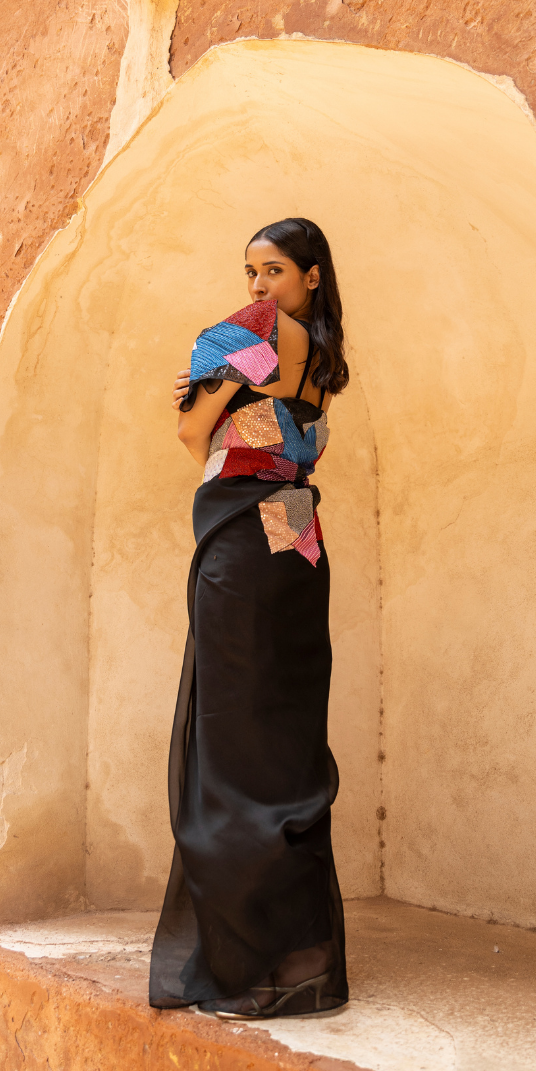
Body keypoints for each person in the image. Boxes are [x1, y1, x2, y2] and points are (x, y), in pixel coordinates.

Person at [148, 217, 350, 1020]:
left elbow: (194, 432)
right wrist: (221, 393)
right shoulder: (325, 360)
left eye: (272, 270)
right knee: (281, 746)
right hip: (296, 541)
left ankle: (248, 962)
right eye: (249, 273)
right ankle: (299, 958)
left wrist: (203, 393)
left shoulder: (264, 331)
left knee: (233, 749)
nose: (257, 289)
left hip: (244, 540)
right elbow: (262, 426)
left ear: (309, 276)